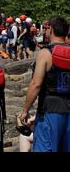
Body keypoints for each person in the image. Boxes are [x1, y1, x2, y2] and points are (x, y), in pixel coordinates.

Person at [18, 16, 70, 152]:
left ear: (50, 30)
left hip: (50, 110)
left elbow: (36, 84)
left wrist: (25, 110)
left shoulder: (46, 53)